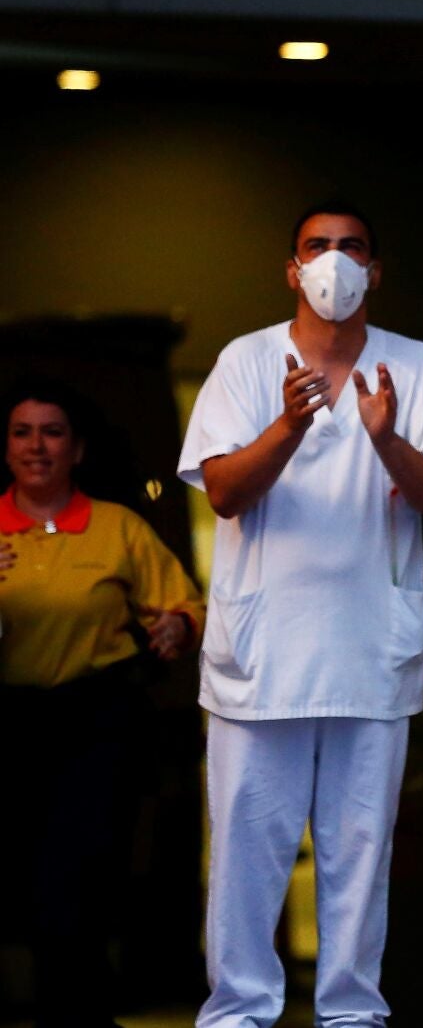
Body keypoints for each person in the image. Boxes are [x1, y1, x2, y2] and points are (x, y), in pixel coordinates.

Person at [178, 200, 423, 1028]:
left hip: (368, 653)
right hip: (262, 660)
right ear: (292, 268)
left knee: (359, 856)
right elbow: (225, 490)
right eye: (317, 247)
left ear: (374, 271)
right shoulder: (246, 362)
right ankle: (237, 1014)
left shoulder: (413, 366)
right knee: (247, 857)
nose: (334, 262)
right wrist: (288, 423)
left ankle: (351, 1015)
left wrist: (386, 439)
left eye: (351, 248)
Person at [0, 379, 204, 1028]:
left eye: (52, 432)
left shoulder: (118, 526)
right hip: (9, 724)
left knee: (84, 870)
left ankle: (81, 1012)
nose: (37, 446)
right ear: (6, 448)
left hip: (95, 721)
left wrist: (177, 626)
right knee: (25, 875)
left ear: (78, 449)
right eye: (22, 432)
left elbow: (185, 603)